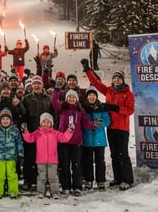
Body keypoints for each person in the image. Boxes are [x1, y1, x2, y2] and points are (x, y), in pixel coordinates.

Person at [81, 59, 135, 190]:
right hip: (110, 127)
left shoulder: (128, 94)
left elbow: (130, 110)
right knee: (114, 154)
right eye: (115, 78)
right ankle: (118, 178)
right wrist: (87, 70)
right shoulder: (109, 91)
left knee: (123, 154)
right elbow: (96, 83)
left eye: (119, 78)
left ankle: (128, 179)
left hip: (122, 128)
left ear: (123, 80)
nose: (116, 80)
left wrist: (115, 108)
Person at [51, 88, 97, 196]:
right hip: (63, 142)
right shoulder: (62, 109)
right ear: (67, 99)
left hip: (76, 142)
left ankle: (77, 186)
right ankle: (66, 186)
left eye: (73, 97)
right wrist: (56, 91)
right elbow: (54, 102)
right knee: (65, 165)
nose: (71, 99)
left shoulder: (80, 111)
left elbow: (86, 123)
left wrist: (94, 124)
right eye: (69, 97)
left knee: (76, 165)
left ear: (76, 99)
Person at [22, 113, 74, 199]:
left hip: (53, 160)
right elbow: (29, 138)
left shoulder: (55, 133)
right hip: (40, 160)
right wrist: (25, 131)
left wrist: (69, 131)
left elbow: (64, 138)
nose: (46, 124)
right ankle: (41, 192)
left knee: (53, 178)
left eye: (48, 122)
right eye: (44, 122)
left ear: (51, 123)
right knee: (41, 178)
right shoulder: (37, 133)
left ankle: (55, 192)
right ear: (40, 123)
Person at [21, 75, 55, 191]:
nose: (36, 85)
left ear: (42, 85)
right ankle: (28, 180)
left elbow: (53, 113)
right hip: (31, 132)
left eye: (38, 83)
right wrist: (25, 128)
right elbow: (23, 114)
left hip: (45, 134)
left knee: (44, 158)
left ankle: (43, 180)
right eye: (34, 83)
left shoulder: (48, 98)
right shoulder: (26, 98)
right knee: (29, 157)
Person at [81, 86, 110, 191]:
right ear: (87, 97)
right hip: (87, 139)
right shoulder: (83, 108)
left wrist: (101, 123)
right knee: (87, 161)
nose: (92, 97)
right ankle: (89, 180)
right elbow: (82, 122)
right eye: (89, 95)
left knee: (100, 161)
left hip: (99, 139)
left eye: (93, 95)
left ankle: (101, 180)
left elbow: (107, 120)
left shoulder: (101, 107)